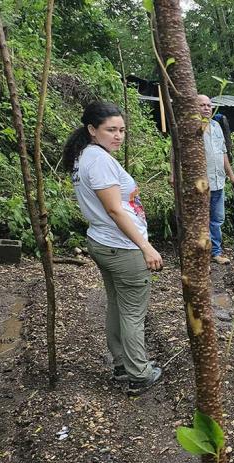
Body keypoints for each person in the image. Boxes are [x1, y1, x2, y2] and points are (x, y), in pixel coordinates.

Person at [63, 101, 163, 395]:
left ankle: (122, 365)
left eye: (121, 130)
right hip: (122, 247)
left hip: (103, 242)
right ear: (92, 130)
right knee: (133, 312)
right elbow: (115, 210)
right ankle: (139, 373)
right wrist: (145, 246)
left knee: (117, 305)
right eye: (111, 130)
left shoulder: (86, 156)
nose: (118, 135)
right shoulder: (100, 161)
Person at [198, 95, 234, 265]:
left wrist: (231, 175)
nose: (207, 108)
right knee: (199, 220)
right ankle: (199, 255)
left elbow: (223, 154)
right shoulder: (189, 127)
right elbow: (176, 152)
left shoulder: (216, 126)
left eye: (209, 105)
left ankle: (215, 252)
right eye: (202, 105)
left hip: (218, 182)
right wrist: (173, 174)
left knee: (217, 220)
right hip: (199, 184)